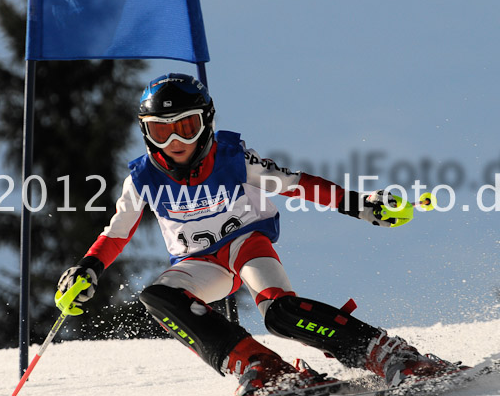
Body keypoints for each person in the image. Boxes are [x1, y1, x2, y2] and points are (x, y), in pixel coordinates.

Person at [57, 73, 464, 396]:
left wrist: (359, 204)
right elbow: (117, 233)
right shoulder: (143, 178)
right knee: (157, 297)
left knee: (279, 313)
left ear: (207, 123)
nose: (177, 141)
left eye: (187, 126)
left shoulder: (233, 158)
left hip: (244, 246)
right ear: (147, 133)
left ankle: (388, 354)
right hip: (198, 264)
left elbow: (296, 183)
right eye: (162, 132)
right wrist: (87, 268)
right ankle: (262, 367)